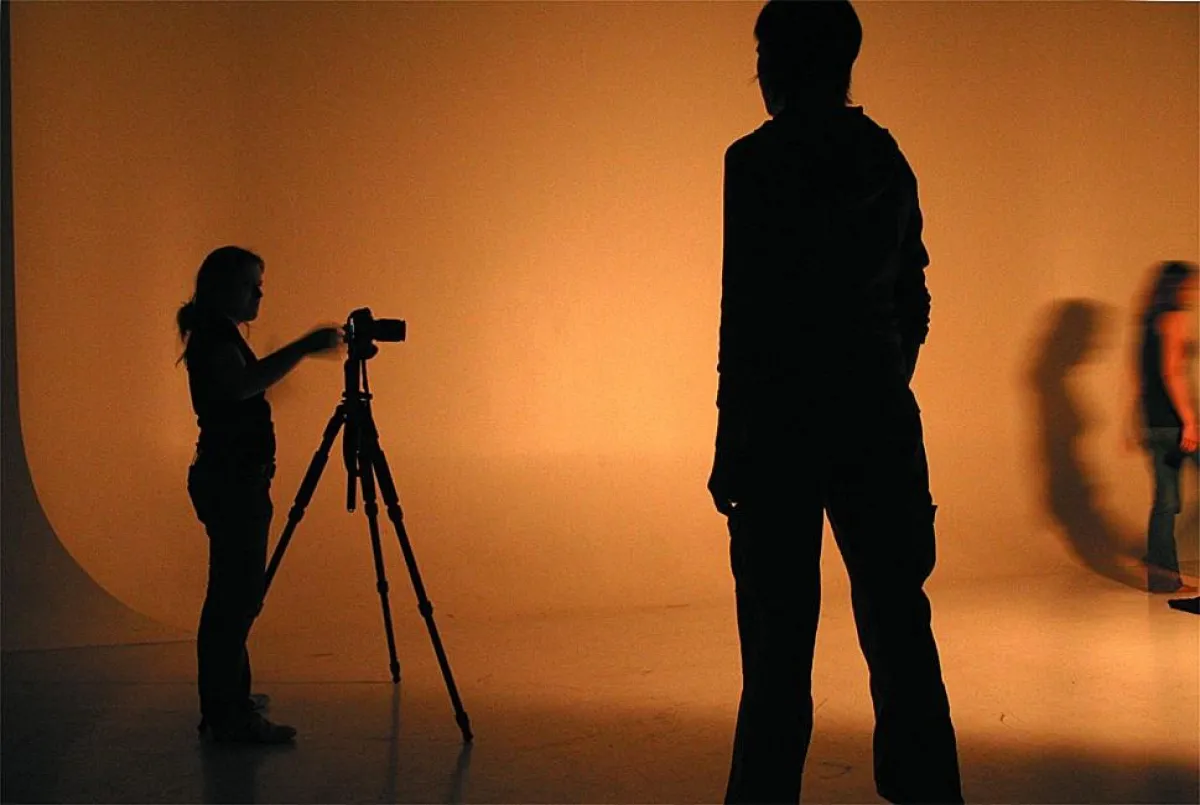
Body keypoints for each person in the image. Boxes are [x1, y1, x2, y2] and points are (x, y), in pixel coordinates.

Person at [707, 2, 963, 802]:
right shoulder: (886, 159)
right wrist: (884, 377)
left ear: (778, 63)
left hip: (778, 432)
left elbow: (744, 313)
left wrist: (729, 439)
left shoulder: (755, 162)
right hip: (878, 423)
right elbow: (913, 292)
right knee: (900, 638)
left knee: (776, 661)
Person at [176, 245, 343, 743]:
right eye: (252, 284)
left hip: (231, 480)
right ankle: (227, 713)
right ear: (224, 287)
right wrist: (301, 348)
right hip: (233, 484)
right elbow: (241, 386)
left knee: (236, 594)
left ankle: (229, 696)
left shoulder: (215, 334)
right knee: (234, 598)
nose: (259, 294)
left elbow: (241, 386)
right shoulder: (213, 338)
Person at [1128, 260, 1199, 596]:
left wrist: (1133, 421)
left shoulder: (1146, 321)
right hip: (1174, 424)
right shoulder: (1173, 318)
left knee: (1166, 501)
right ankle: (1162, 569)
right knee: (1167, 501)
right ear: (1177, 287)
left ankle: (1162, 575)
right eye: (1190, 286)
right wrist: (1189, 421)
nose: (1194, 292)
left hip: (1153, 421)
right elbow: (1172, 373)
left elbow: (1140, 378)